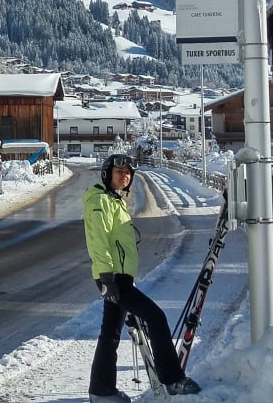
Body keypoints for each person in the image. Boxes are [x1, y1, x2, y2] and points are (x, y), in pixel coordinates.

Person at [83, 153, 201, 401]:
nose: (124, 176)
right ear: (106, 173)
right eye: (119, 172)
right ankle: (172, 379)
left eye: (128, 173)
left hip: (120, 277)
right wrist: (107, 279)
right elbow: (98, 241)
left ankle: (101, 391)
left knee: (110, 334)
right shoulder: (100, 201)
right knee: (156, 317)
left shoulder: (114, 200)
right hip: (113, 278)